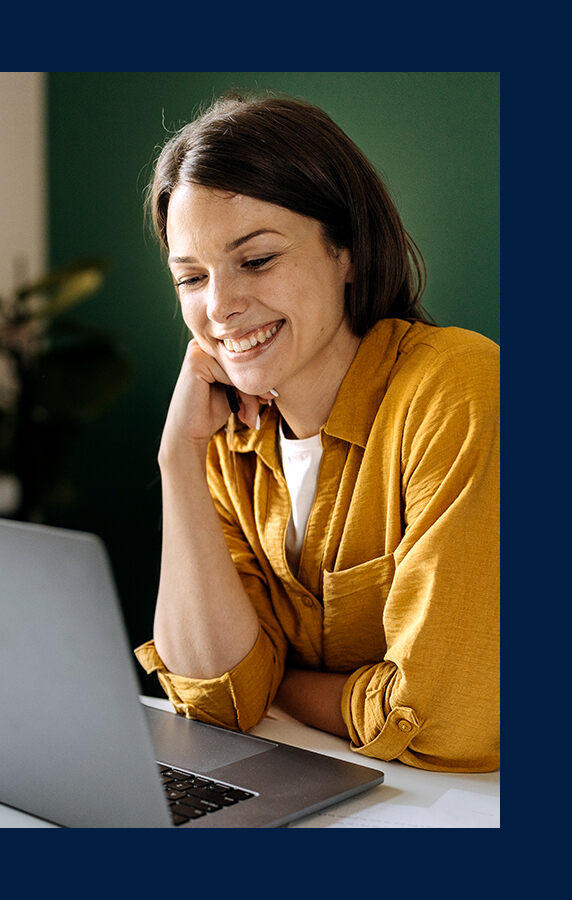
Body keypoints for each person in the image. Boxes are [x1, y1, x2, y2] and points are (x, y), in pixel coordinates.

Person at [134, 92, 499, 773]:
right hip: (341, 792)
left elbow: (448, 725)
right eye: (191, 277)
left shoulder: (460, 387)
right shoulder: (224, 439)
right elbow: (215, 701)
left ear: (348, 250)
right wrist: (178, 460)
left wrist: (280, 684)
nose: (219, 307)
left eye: (257, 259)